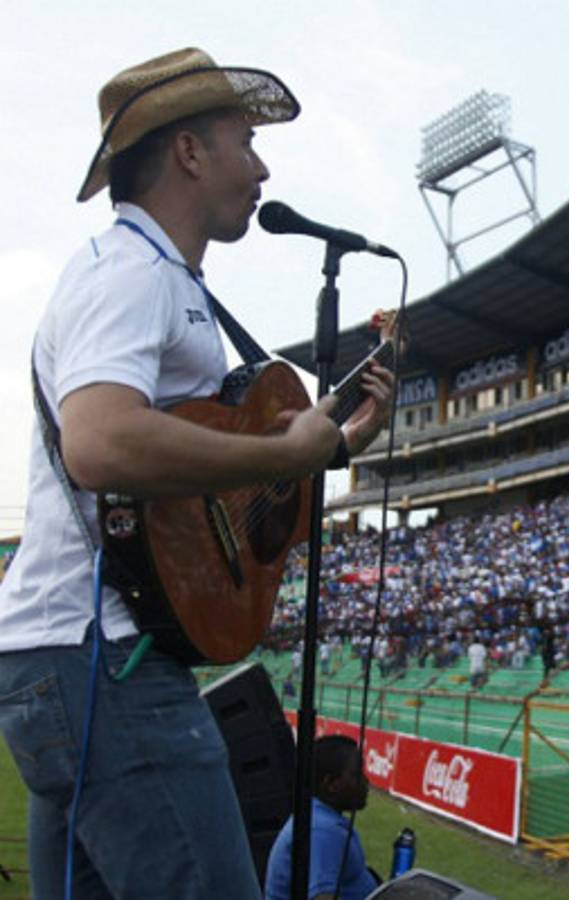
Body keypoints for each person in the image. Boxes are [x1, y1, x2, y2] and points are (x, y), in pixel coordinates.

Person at [0, 48, 394, 900]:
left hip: (69, 659)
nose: (261, 166)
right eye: (244, 141)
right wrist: (283, 452)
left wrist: (339, 441)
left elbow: (216, 486)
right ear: (187, 152)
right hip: (107, 659)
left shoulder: (152, 278)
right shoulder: (134, 274)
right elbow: (100, 445)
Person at [265, 735, 378, 900]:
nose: (366, 782)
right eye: (357, 774)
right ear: (332, 784)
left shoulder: (319, 818)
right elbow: (322, 897)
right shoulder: (322, 831)